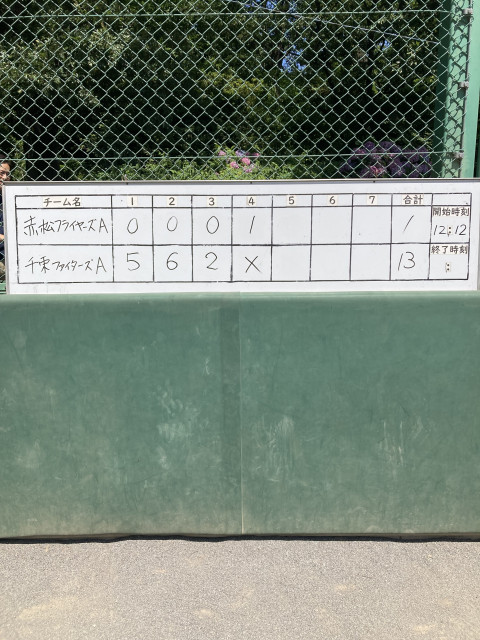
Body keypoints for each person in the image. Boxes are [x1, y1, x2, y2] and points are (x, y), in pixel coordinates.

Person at [0, 157, 12, 280]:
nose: (5, 177)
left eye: (7, 174)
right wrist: (7, 238)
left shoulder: (9, 197)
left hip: (10, 254)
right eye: (1, 173)